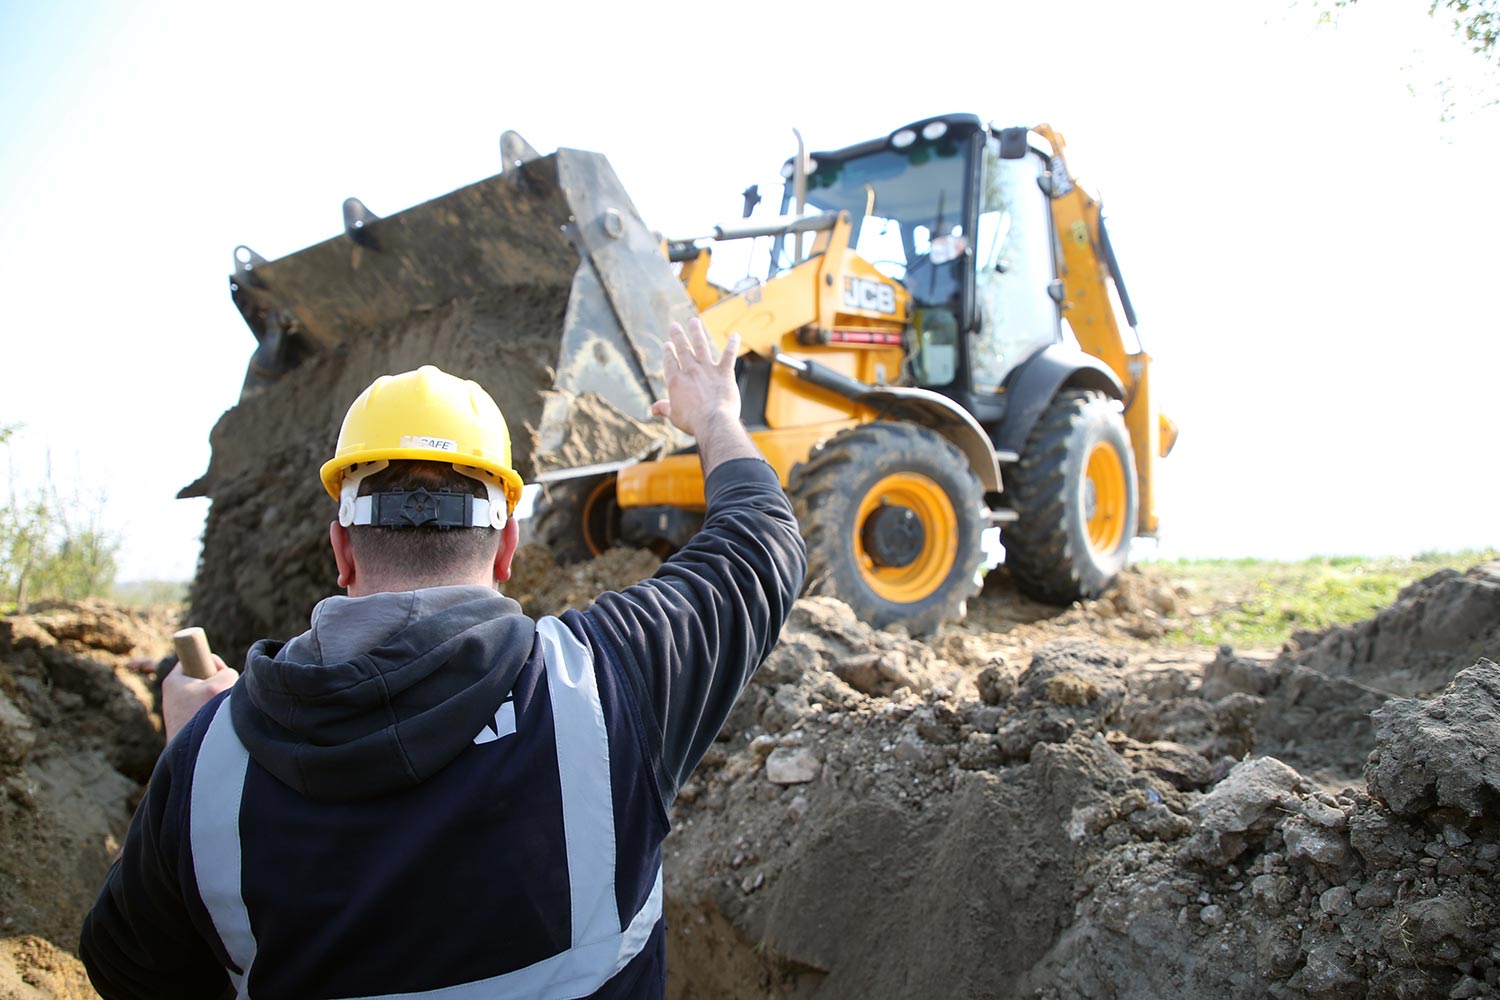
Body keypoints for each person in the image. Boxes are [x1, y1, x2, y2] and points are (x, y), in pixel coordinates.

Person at [79, 319, 807, 999]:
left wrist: (189, 747)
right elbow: (762, 543)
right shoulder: (613, 681)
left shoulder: (209, 766)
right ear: (509, 551)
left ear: (340, 550)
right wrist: (713, 413)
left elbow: (128, 970)